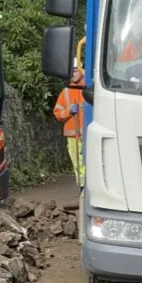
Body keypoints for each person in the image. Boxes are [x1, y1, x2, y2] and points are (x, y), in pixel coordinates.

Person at [53, 58, 85, 191]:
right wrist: (69, 112)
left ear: (81, 70)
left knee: (88, 163)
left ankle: (89, 187)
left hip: (88, 134)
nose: (73, 73)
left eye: (75, 70)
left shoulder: (90, 88)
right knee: (77, 163)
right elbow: (57, 113)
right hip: (73, 136)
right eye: (71, 71)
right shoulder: (65, 92)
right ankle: (82, 187)